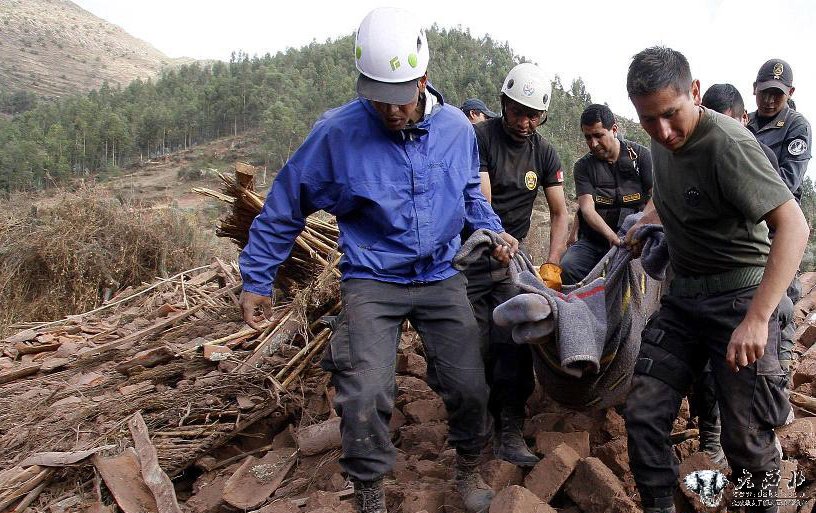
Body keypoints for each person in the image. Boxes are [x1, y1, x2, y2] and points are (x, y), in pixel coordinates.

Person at [238, 8, 517, 513]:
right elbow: (285, 204)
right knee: (365, 393)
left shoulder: (456, 129)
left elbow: (469, 194)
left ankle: (468, 466)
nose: (390, 111)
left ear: (423, 80)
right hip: (372, 277)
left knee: (470, 385)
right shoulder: (337, 133)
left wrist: (493, 230)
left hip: (441, 273)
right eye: (378, 98)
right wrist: (257, 279)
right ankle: (370, 494)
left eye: (400, 98)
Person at [622, 47, 808, 513]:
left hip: (739, 300)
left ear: (695, 91)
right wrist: (645, 222)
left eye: (671, 114)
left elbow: (794, 225)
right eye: (648, 120)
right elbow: (666, 194)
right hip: (684, 299)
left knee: (746, 440)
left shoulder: (728, 144)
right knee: (643, 413)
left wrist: (758, 319)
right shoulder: (661, 141)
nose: (663, 131)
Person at [463, 62, 569, 468]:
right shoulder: (481, 137)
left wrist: (552, 262)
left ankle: (509, 425)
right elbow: (482, 198)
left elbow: (559, 212)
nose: (525, 122)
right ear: (503, 103)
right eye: (518, 112)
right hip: (473, 255)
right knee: (471, 342)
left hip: (512, 262)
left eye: (534, 116)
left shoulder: (544, 151)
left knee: (514, 339)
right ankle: (473, 425)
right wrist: (494, 236)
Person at [560, 104, 652, 285]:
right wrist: (612, 238)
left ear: (614, 129)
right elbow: (587, 209)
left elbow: (657, 198)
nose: (593, 143)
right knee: (567, 268)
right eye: (588, 137)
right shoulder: (583, 167)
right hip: (594, 241)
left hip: (634, 239)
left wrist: (639, 228)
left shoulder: (641, 156)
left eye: (598, 135)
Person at [747, 58, 811, 204]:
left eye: (777, 94)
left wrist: (743, 184)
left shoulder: (797, 126)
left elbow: (788, 181)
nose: (769, 100)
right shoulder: (743, 121)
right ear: (755, 88)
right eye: (764, 92)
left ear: (790, 92)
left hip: (777, 209)